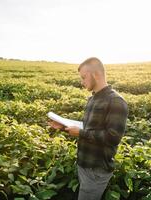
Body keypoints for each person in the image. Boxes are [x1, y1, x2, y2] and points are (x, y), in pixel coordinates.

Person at [49, 57, 128, 200]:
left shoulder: (116, 101)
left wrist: (80, 133)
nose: (82, 82)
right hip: (84, 163)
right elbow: (89, 128)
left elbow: (113, 138)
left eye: (84, 77)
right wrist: (63, 127)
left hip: (97, 169)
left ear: (96, 74)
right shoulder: (92, 99)